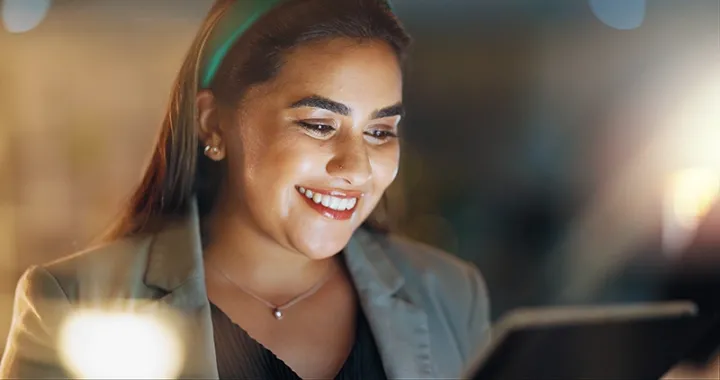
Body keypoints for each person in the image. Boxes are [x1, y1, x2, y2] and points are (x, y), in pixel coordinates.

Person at [0, 0, 491, 378]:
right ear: (214, 123)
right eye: (319, 124)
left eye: (380, 131)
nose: (356, 168)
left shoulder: (450, 295)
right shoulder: (72, 301)